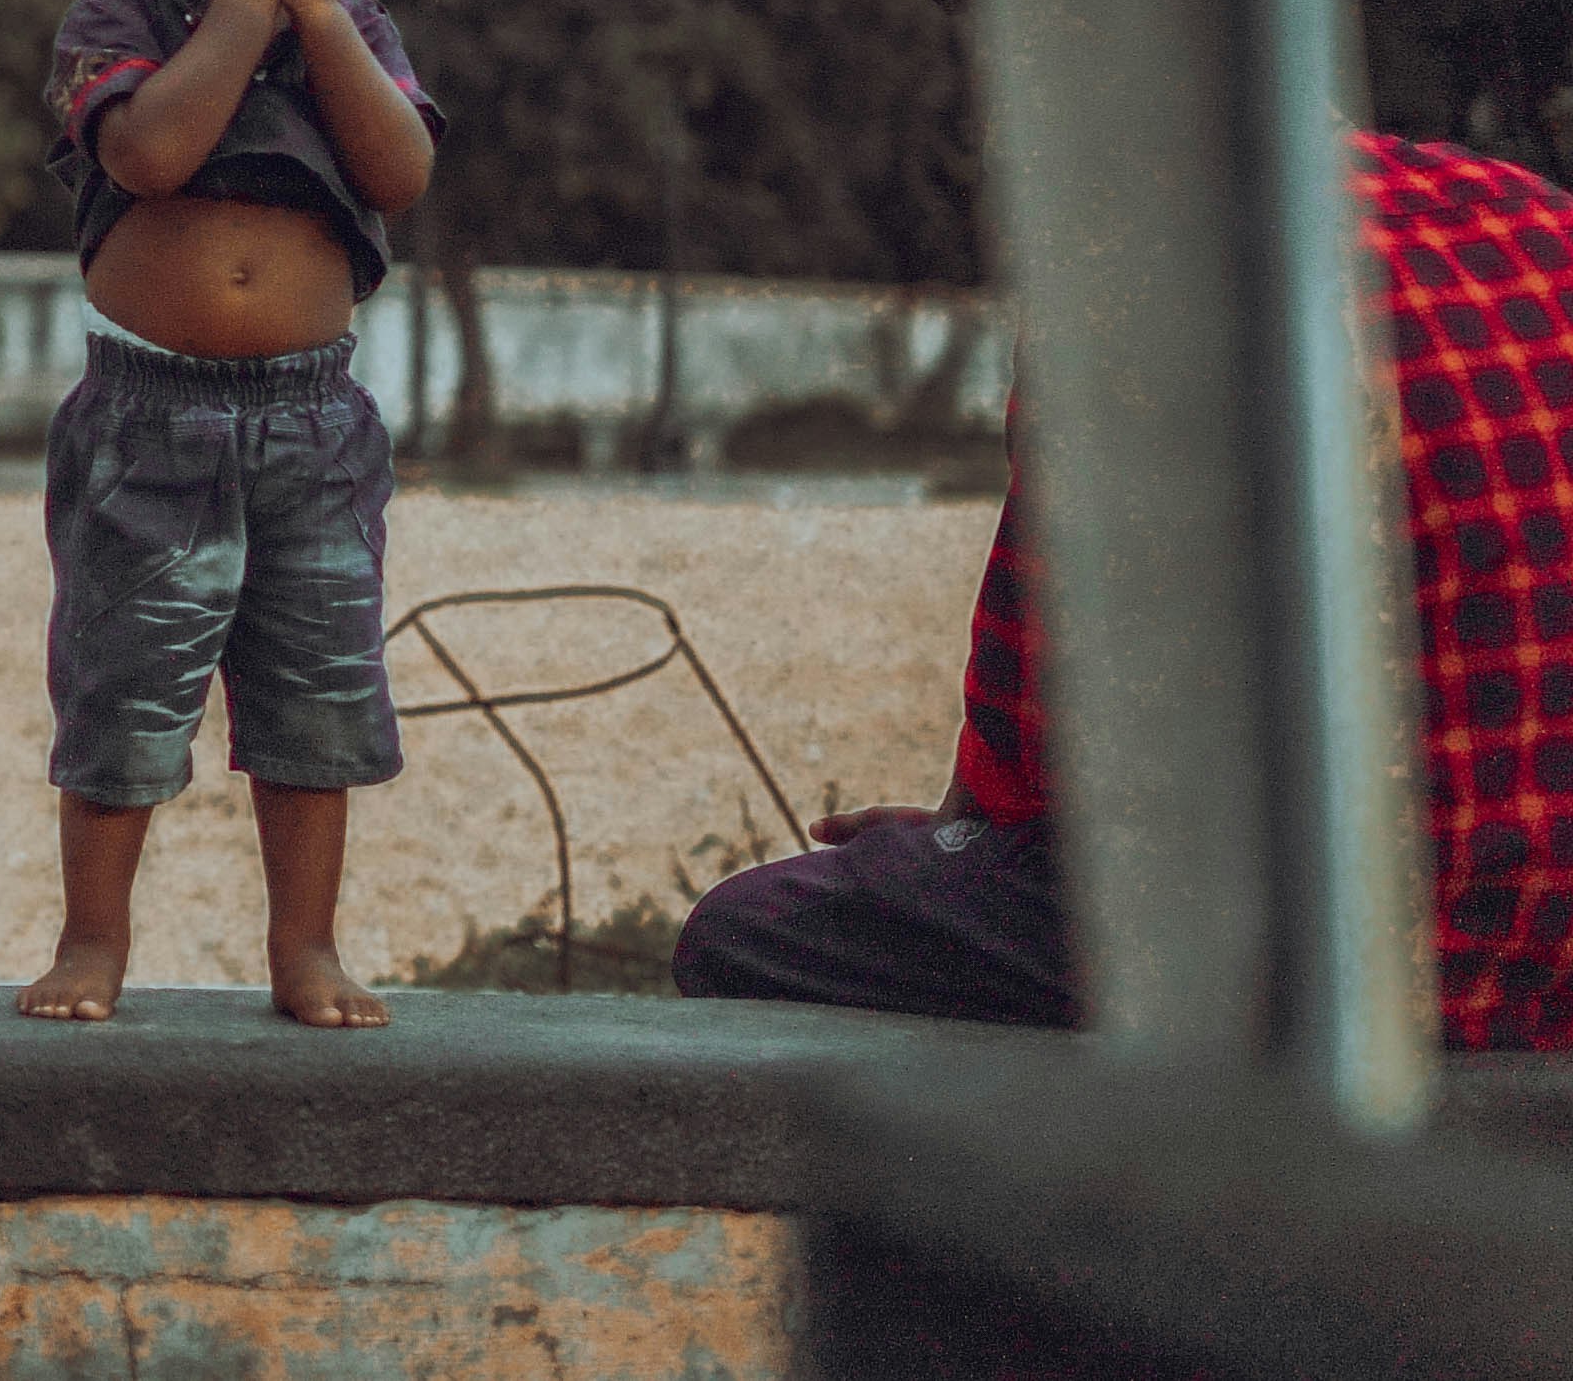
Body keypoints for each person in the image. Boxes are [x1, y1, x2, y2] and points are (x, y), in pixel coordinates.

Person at [674, 131, 1573, 1050]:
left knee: (750, 927)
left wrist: (959, 851)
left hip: (1346, 969)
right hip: (1553, 953)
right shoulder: (1530, 215)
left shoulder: (1133, 268)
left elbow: (1044, 737)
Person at [21, 0, 444, 1029]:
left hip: (313, 420)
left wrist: (313, 11)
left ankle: (304, 945)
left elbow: (400, 168)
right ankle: (96, 938)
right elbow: (150, 152)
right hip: (153, 415)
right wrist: (246, 9)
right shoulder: (120, 14)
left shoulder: (353, 24)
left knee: (314, 685)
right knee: (126, 681)